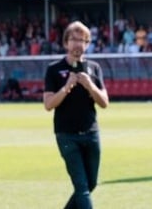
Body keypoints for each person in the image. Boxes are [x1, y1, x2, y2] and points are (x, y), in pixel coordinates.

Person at [43, 21, 109, 209]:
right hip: (66, 135)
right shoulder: (54, 69)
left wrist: (90, 85)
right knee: (81, 187)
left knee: (90, 184)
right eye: (74, 39)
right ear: (66, 43)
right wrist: (67, 87)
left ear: (87, 44)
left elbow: (104, 102)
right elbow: (48, 105)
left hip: (91, 133)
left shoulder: (94, 68)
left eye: (82, 40)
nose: (78, 44)